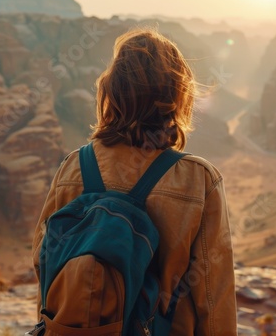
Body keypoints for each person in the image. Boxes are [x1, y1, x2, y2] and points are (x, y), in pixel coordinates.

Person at [32, 27, 237, 335]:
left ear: (111, 91)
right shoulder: (198, 179)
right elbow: (212, 294)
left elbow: (45, 266)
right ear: (176, 95)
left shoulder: (72, 167)